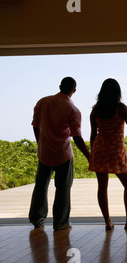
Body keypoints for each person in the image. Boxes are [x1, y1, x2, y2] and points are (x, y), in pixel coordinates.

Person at [29, 77, 90, 231]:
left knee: (41, 186)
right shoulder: (73, 110)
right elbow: (76, 136)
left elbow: (35, 125)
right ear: (74, 90)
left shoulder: (42, 102)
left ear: (60, 86)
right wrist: (89, 156)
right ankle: (61, 223)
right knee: (63, 189)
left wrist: (40, 142)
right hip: (63, 154)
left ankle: (37, 218)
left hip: (44, 153)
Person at [89, 78, 127, 230]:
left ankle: (108, 222)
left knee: (102, 187)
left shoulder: (95, 110)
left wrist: (92, 153)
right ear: (118, 92)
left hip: (99, 149)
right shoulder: (121, 108)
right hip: (116, 150)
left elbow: (92, 135)